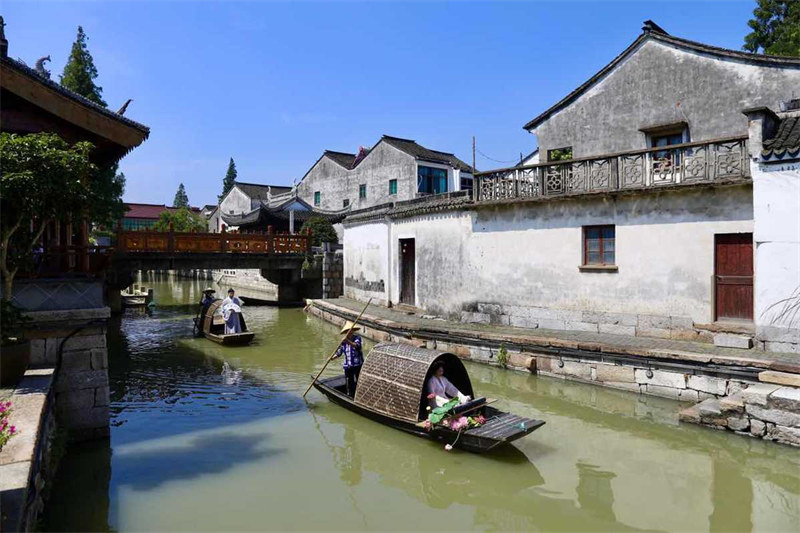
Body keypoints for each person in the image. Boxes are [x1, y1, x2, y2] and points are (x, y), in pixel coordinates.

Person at [332, 321, 363, 397]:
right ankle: (350, 395)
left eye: (351, 330)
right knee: (349, 382)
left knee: (359, 381)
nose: (350, 332)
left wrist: (347, 341)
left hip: (358, 365)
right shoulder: (343, 342)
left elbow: (357, 346)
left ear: (353, 330)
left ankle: (360, 395)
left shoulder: (357, 338)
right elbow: (339, 353)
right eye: (348, 331)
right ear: (346, 332)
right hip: (348, 366)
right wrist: (332, 358)